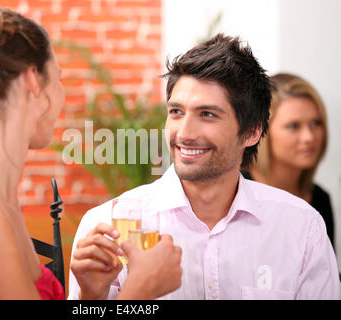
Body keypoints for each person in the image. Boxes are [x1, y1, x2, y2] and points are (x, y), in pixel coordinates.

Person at [0, 2, 182, 300]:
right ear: (32, 80)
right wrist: (139, 291)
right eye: (58, 77)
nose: (60, 94)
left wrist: (91, 294)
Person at [68, 34, 340, 300]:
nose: (184, 133)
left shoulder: (302, 229)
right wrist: (92, 299)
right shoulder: (106, 226)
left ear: (252, 132)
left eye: (207, 114)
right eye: (176, 112)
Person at [241, 73, 335, 250]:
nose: (309, 137)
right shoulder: (236, 190)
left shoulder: (319, 198)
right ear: (262, 131)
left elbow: (325, 275)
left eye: (316, 123)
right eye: (293, 126)